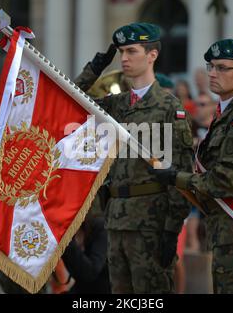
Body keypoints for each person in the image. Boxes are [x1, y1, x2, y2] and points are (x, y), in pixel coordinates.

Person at [75, 22, 194, 293]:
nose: (124, 59)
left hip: (150, 223)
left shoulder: (167, 106)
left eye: (132, 51)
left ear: (152, 55)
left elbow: (180, 174)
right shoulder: (116, 104)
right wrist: (95, 68)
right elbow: (72, 100)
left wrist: (171, 232)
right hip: (116, 219)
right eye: (121, 53)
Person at [150, 39, 233, 293]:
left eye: (222, 68)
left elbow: (228, 180)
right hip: (226, 228)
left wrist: (178, 178)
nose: (212, 73)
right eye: (211, 66)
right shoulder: (228, 112)